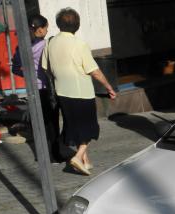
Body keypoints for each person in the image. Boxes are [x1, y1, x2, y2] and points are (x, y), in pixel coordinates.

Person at [42, 8, 116, 176]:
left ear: (59, 24)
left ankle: (85, 161)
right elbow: (94, 71)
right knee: (89, 128)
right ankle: (78, 156)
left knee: (74, 126)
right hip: (81, 92)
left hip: (62, 92)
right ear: (77, 25)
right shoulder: (79, 44)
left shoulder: (50, 43)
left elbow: (45, 67)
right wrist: (109, 87)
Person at [11, 14, 62, 162]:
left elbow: (15, 69)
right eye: (46, 27)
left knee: (38, 125)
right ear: (39, 30)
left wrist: (29, 76)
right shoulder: (47, 45)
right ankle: (55, 155)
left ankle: (41, 155)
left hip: (32, 90)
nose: (47, 30)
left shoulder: (21, 47)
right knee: (51, 123)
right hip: (46, 90)